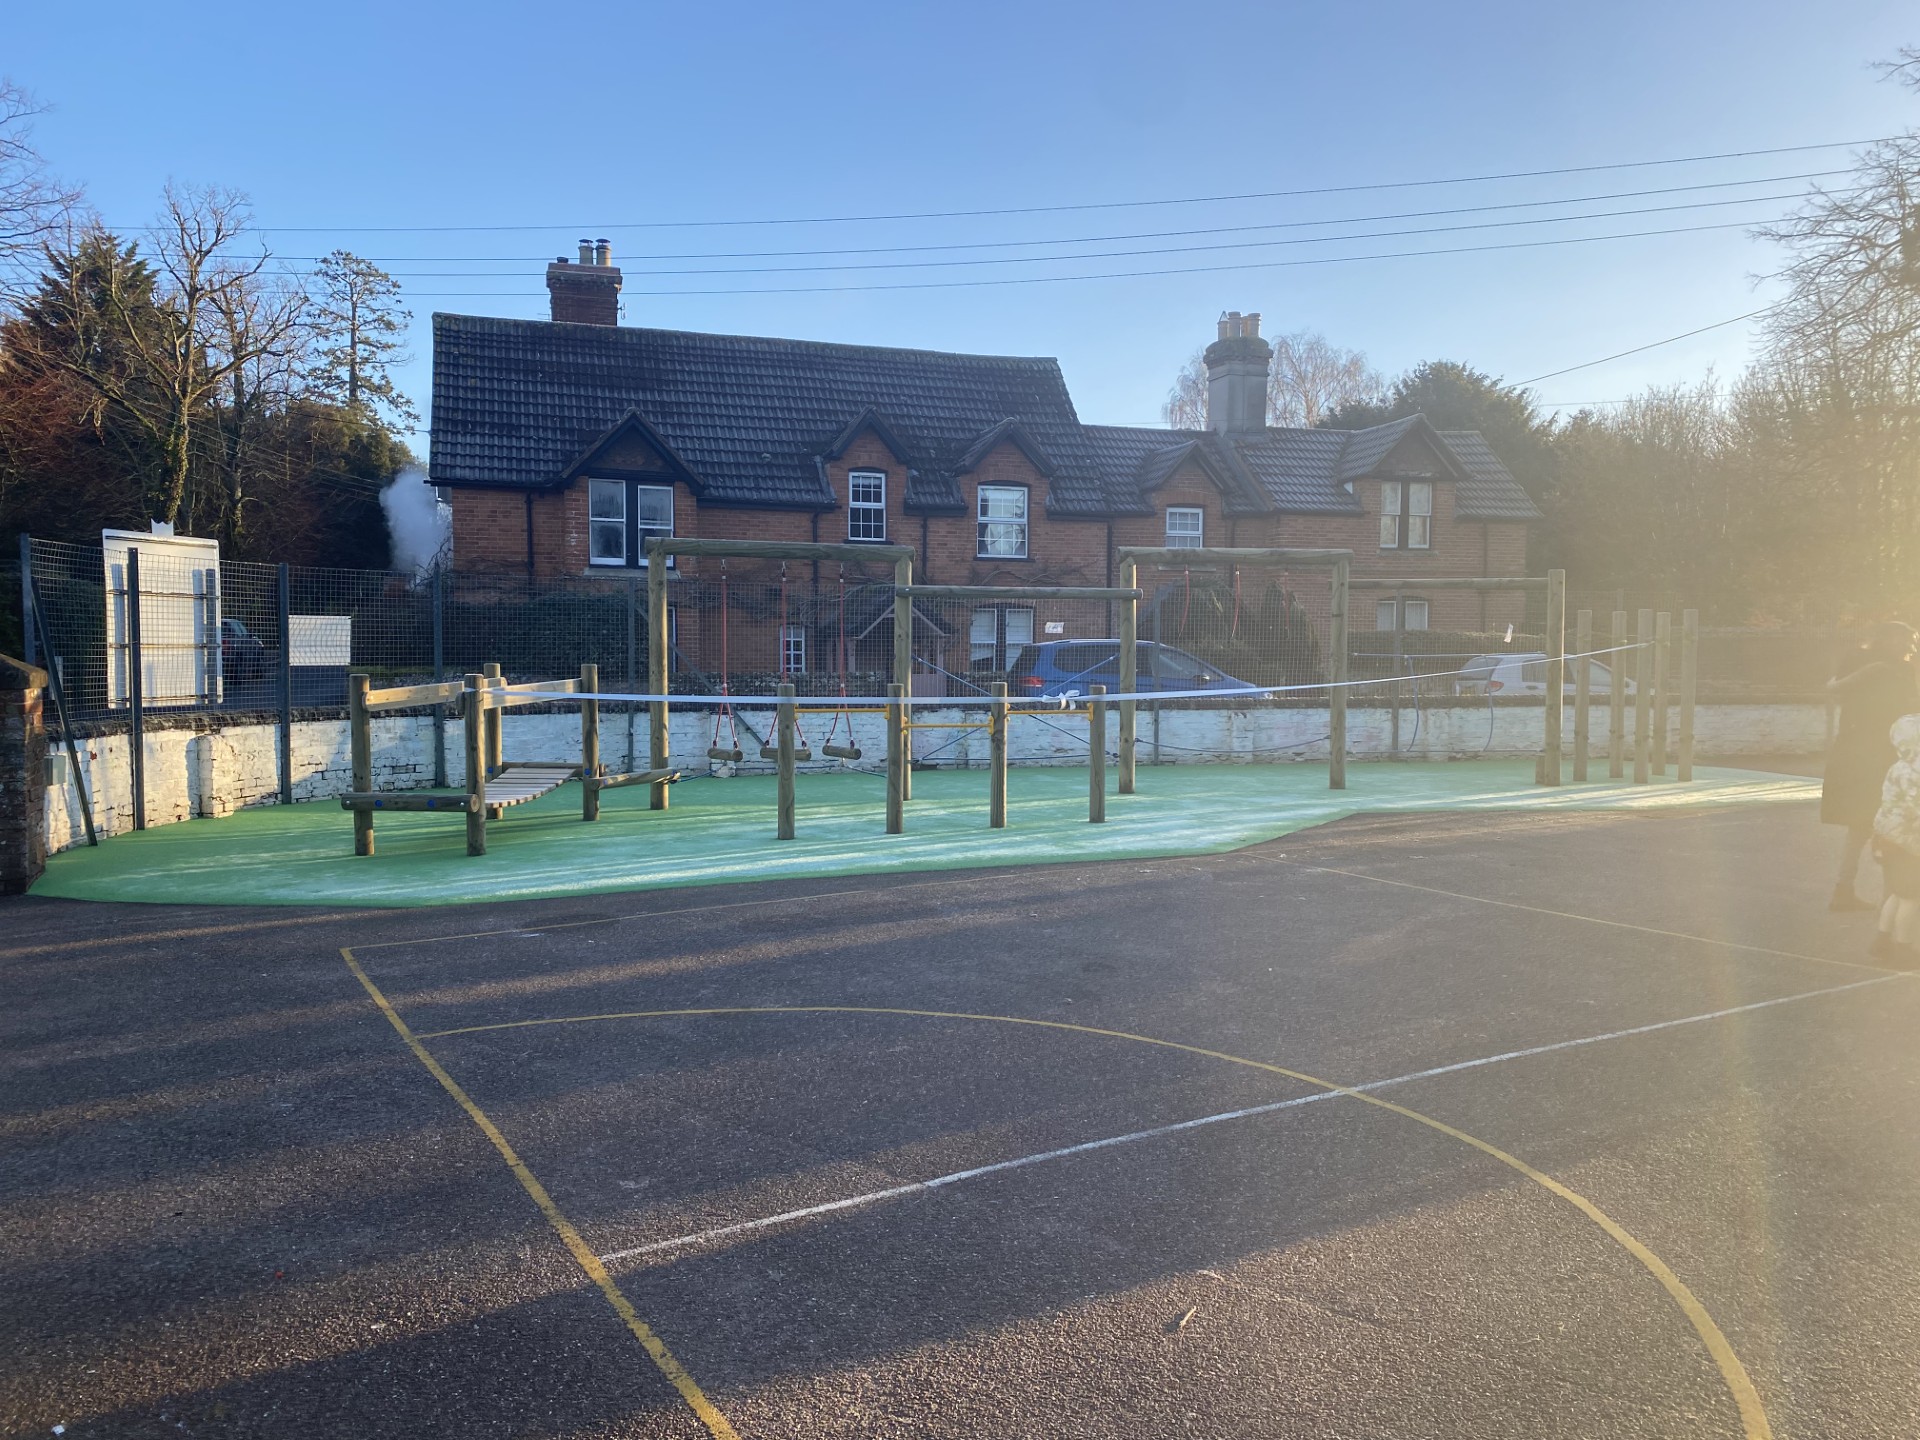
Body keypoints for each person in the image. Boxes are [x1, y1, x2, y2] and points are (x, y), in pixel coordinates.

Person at [1823, 621, 1919, 910]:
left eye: (1908, 640)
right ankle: (1891, 898)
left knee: (1863, 826)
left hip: (1861, 754)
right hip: (1881, 757)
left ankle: (1847, 890)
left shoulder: (1864, 663)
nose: (1906, 645)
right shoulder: (1888, 669)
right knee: (1892, 826)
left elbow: (1836, 688)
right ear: (1885, 639)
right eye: (1900, 639)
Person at [1870, 713, 1920, 963]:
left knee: (1897, 892)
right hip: (1906, 843)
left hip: (1886, 838)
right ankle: (1904, 948)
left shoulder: (1898, 767)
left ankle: (1882, 940)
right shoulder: (1914, 771)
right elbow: (1915, 807)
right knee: (1911, 897)